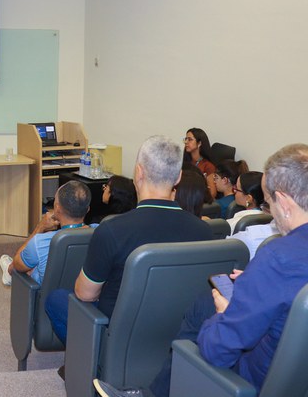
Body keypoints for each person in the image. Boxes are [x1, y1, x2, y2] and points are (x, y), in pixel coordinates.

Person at [93, 143, 308, 397]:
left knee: (205, 319)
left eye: (269, 203)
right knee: (204, 302)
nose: (271, 213)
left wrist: (223, 314)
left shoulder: (278, 256)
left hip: (257, 378)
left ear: (283, 201)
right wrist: (253, 286)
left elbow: (218, 349)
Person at [44, 135, 213, 345]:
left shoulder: (112, 229)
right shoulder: (204, 232)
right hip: (176, 332)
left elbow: (85, 294)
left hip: (117, 335)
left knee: (56, 299)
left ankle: (93, 362)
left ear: (138, 172)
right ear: (178, 177)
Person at [0, 181, 91, 286]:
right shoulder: (100, 231)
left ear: (57, 208)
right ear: (87, 209)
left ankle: (9, 273)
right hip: (83, 290)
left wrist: (40, 227)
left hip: (48, 296)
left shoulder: (40, 242)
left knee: (25, 265)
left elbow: (16, 264)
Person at [183, 127, 218, 197]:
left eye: (190, 139)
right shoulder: (185, 162)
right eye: (186, 139)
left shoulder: (208, 166)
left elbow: (212, 193)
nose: (186, 142)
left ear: (199, 143)